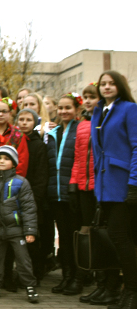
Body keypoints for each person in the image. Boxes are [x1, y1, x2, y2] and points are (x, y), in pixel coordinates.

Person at [71, 84, 121, 305]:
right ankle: (101, 284)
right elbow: (79, 157)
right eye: (86, 97)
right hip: (84, 186)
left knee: (108, 236)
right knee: (91, 234)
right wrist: (74, 183)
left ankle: (111, 285)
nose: (89, 101)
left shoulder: (105, 122)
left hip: (104, 187)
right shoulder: (82, 125)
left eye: (93, 97)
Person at [90, 70, 137, 307]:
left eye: (111, 84)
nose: (106, 87)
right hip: (104, 185)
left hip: (123, 183)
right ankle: (115, 289)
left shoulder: (129, 109)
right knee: (115, 239)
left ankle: (131, 290)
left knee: (121, 238)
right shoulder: (98, 111)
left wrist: (134, 184)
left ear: (120, 86)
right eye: (103, 84)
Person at [0, 145, 39, 303]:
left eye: (6, 159)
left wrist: (30, 230)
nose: (2, 161)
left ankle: (30, 287)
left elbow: (29, 208)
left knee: (23, 260)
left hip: (16, 230)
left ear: (14, 163)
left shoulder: (21, 183)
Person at [46, 92, 81, 295]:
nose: (63, 111)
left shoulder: (81, 130)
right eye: (61, 108)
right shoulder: (53, 133)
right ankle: (66, 276)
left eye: (68, 108)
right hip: (56, 193)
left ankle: (78, 277)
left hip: (73, 193)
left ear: (76, 110)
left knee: (74, 237)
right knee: (64, 240)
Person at [15, 108, 51, 284]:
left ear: (35, 122)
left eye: (28, 120)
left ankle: (35, 273)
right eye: (21, 119)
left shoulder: (38, 145)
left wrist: (33, 198)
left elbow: (41, 175)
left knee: (31, 238)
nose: (24, 123)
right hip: (14, 196)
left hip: (32, 198)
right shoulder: (14, 142)